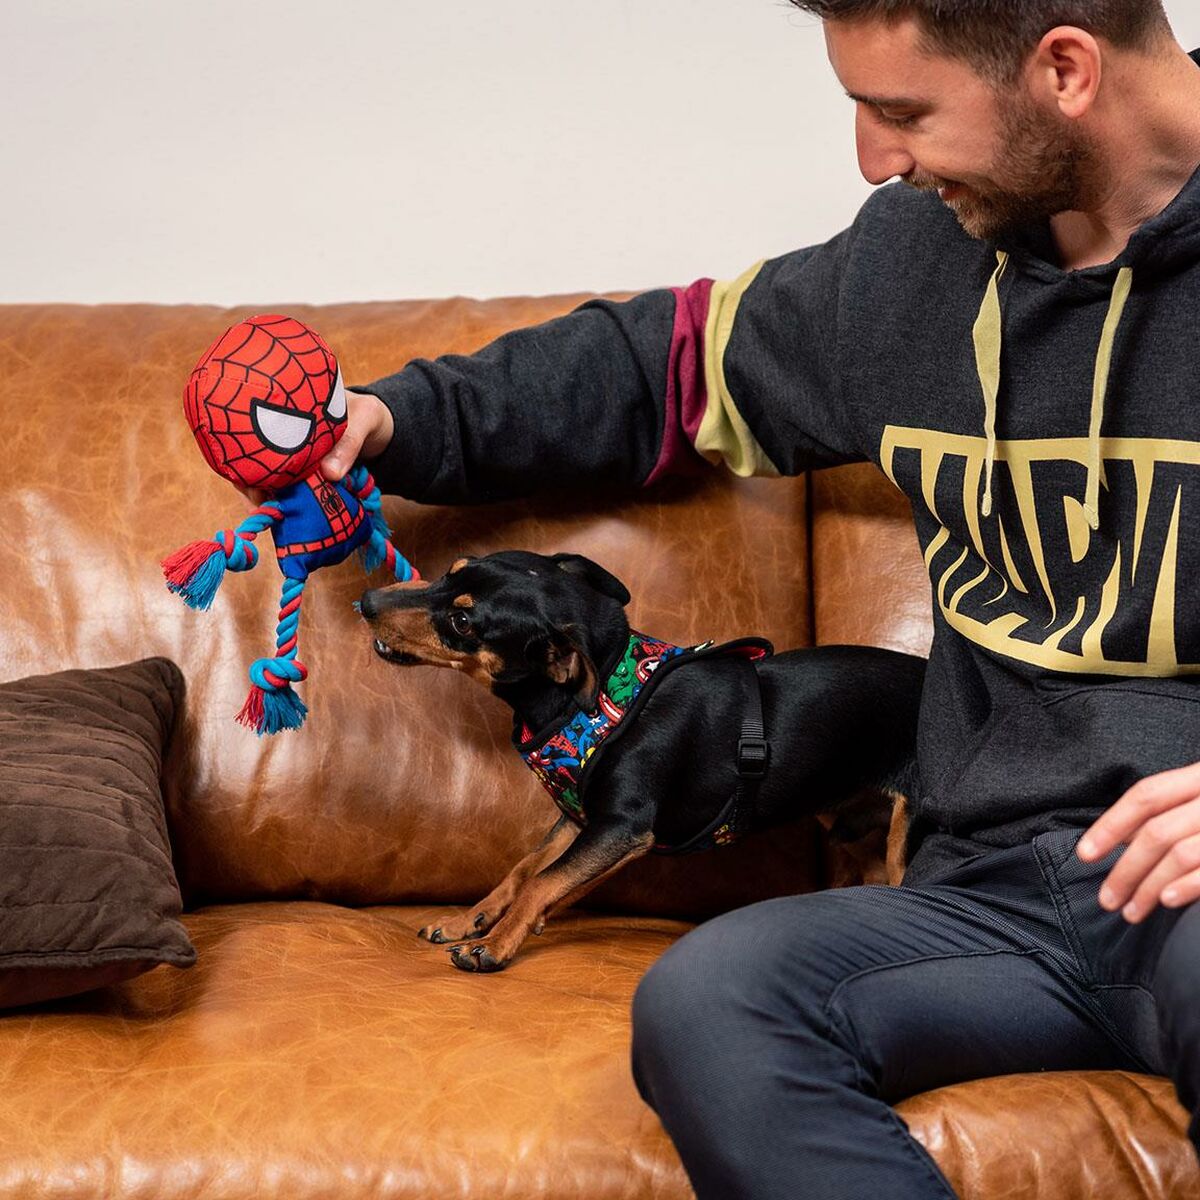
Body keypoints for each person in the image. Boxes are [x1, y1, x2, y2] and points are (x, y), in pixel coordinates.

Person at [294, 2, 1200, 1195]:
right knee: (709, 1001)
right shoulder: (914, 264)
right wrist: (393, 420)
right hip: (987, 899)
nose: (875, 160)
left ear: (1066, 69)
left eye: (902, 111)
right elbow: (660, 367)